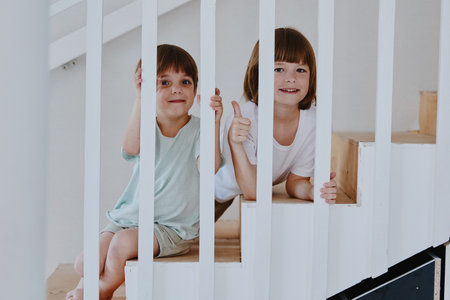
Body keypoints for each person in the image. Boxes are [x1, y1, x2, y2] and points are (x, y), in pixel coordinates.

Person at [66, 44, 223, 300]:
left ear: (195, 91)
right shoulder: (145, 126)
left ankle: (104, 290)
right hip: (128, 218)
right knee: (85, 262)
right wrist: (140, 99)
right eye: (164, 82)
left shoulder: (199, 128)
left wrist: (214, 122)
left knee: (120, 246)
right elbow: (130, 147)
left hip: (172, 228)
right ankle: (88, 284)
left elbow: (208, 169)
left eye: (185, 81)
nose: (176, 89)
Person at [215, 27, 336, 220]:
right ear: (258, 75)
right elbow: (253, 192)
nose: (291, 78)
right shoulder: (245, 119)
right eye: (279, 69)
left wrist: (313, 192)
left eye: (301, 70)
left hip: (225, 196)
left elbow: (295, 181)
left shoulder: (315, 123)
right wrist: (235, 143)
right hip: (197, 187)